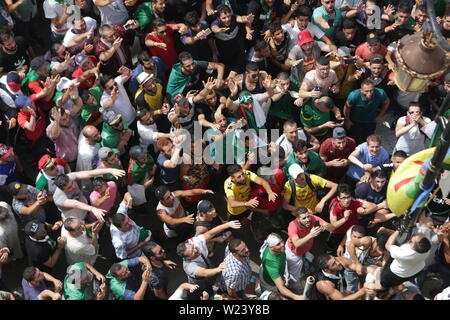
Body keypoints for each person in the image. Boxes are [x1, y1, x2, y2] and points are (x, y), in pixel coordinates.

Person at [177, 220, 241, 294]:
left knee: (212, 273)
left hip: (206, 262)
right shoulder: (189, 267)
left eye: (193, 247)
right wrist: (218, 269)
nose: (196, 250)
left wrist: (227, 225)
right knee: (206, 289)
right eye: (192, 252)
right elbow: (204, 273)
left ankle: (214, 281)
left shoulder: (194, 242)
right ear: (187, 258)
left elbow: (211, 233)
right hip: (200, 280)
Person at [285, 207, 334, 290]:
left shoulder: (312, 218)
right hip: (294, 252)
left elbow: (331, 228)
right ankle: (292, 286)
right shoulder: (292, 226)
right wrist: (310, 235)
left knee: (307, 261)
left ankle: (304, 269)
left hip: (305, 250)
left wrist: (325, 227)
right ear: (297, 219)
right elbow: (296, 244)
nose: (308, 219)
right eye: (304, 218)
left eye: (308, 216)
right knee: (294, 274)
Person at [53, 168, 125, 222]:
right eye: (69, 187)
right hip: (75, 213)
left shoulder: (68, 177)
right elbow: (76, 204)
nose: (73, 187)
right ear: (62, 189)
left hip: (84, 204)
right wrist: (93, 209)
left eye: (72, 183)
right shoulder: (59, 199)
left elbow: (90, 173)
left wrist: (110, 170)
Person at [327, 183, 378, 253]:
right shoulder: (334, 206)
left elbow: (374, 206)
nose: (347, 200)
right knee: (332, 249)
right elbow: (333, 226)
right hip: (337, 233)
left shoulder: (354, 201)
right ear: (338, 198)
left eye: (348, 197)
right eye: (343, 198)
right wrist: (345, 218)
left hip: (352, 231)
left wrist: (364, 211)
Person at [344, 79, 390, 145]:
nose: (369, 93)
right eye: (366, 91)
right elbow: (347, 107)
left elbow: (386, 102)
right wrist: (347, 120)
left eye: (371, 90)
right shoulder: (354, 95)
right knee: (357, 139)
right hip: (356, 121)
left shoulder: (380, 93)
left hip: (371, 121)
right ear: (361, 90)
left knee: (369, 138)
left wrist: (380, 116)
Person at [259, 233, 302, 300]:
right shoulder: (271, 264)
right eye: (278, 244)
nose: (282, 245)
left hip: (275, 272)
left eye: (281, 241)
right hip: (270, 284)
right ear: (271, 247)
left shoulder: (274, 238)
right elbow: (281, 287)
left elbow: (270, 235)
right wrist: (297, 297)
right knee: (275, 296)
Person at [110, 192, 151, 259]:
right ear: (119, 228)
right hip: (137, 252)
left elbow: (126, 194)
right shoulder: (118, 241)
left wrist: (129, 199)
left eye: (128, 220)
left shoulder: (121, 213)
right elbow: (122, 255)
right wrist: (139, 246)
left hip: (142, 236)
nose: (130, 223)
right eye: (126, 224)